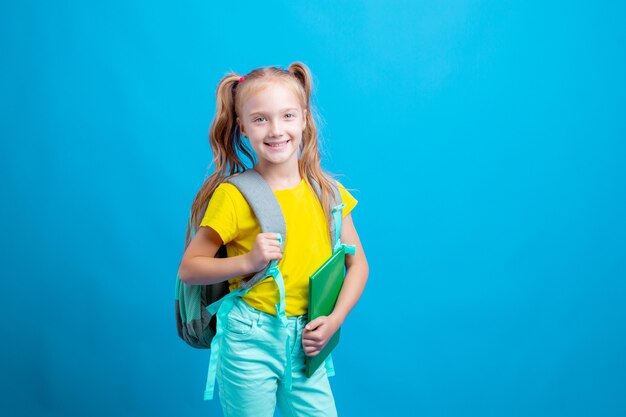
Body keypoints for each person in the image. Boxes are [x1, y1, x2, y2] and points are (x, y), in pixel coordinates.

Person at [178, 62, 369, 417]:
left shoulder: (328, 192)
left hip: (307, 340)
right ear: (243, 128)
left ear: (304, 120)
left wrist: (335, 319)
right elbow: (189, 268)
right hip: (249, 338)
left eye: (287, 116)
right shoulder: (234, 196)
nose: (276, 129)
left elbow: (358, 265)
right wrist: (248, 262)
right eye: (261, 119)